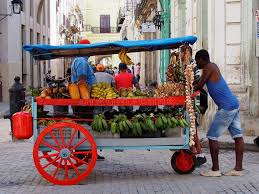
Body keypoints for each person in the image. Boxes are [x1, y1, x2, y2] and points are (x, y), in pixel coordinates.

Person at [194, 49, 244, 177]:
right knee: (238, 136)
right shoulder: (210, 67)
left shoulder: (210, 66)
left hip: (227, 107)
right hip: (233, 104)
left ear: (202, 59)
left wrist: (188, 88)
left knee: (212, 136)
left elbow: (200, 84)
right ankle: (238, 169)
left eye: (197, 60)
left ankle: (215, 169)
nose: (196, 63)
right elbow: (201, 83)